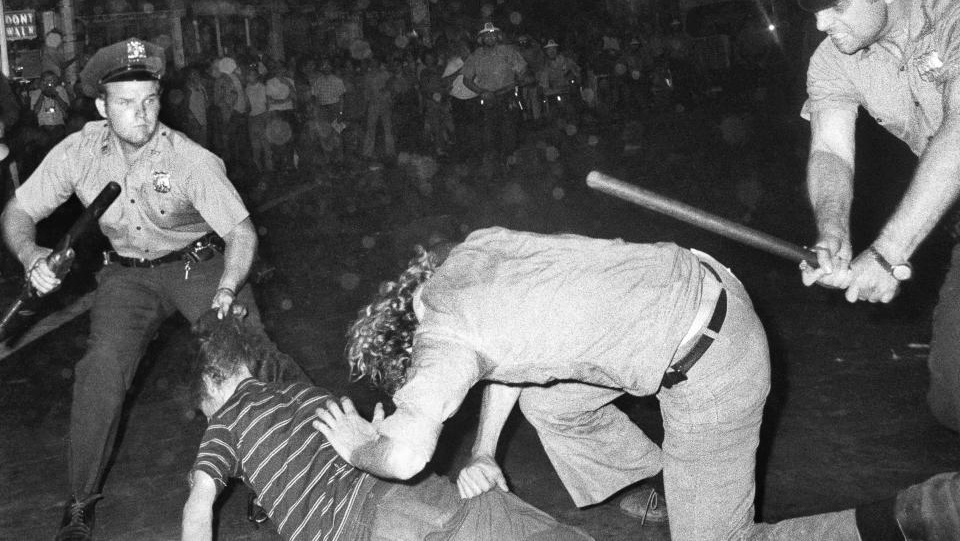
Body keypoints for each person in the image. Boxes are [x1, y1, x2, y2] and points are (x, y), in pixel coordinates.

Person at [314, 228, 960, 541]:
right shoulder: (471, 255)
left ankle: (905, 518)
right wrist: (483, 452)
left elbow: (403, 455)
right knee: (549, 401)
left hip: (713, 365)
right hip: (703, 283)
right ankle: (671, 481)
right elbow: (499, 357)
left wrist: (358, 447)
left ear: (411, 350)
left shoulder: (442, 342)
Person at [1, 38, 303, 541]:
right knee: (99, 370)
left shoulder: (190, 159)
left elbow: (241, 233)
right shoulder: (78, 152)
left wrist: (228, 290)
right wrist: (31, 255)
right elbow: (18, 211)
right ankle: (79, 503)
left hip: (201, 265)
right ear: (101, 106)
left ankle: (275, 478)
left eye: (150, 101)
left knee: (250, 364)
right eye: (125, 103)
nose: (141, 115)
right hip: (127, 274)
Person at [182, 310, 594, 541]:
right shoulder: (304, 394)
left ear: (211, 383)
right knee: (503, 524)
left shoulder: (224, 424)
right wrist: (380, 438)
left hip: (352, 530)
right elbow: (367, 448)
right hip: (407, 489)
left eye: (204, 409)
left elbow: (200, 504)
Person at [776, 0, 960, 432]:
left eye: (836, 5)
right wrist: (832, 234)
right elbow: (832, 150)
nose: (821, 23)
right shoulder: (835, 59)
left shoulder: (955, 16)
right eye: (815, 8)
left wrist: (887, 253)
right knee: (954, 399)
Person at [460, 22, 526, 168]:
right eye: (486, 36)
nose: (490, 38)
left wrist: (517, 80)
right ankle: (494, 163)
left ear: (497, 37)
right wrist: (482, 92)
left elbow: (522, 70)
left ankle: (510, 160)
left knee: (510, 130)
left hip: (508, 96)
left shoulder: (507, 51)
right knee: (490, 132)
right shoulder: (476, 56)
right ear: (481, 39)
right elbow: (466, 79)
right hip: (488, 98)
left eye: (492, 35)